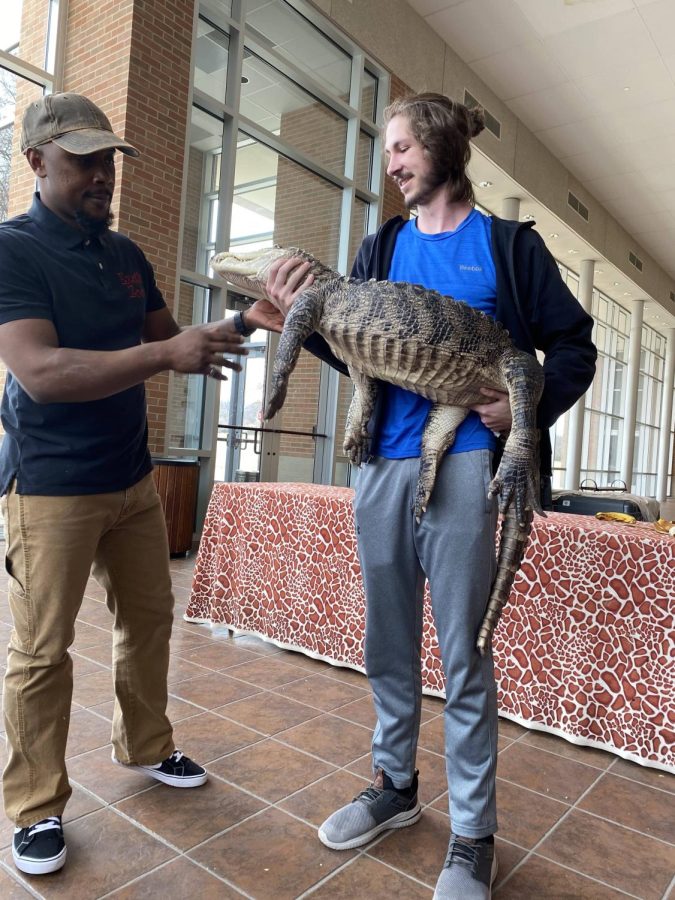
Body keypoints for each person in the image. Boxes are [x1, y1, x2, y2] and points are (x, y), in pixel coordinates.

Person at [263, 93, 596, 899]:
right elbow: (365, 355)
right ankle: (394, 787)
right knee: (385, 642)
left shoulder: (509, 248)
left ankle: (473, 834)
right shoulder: (380, 246)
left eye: (403, 146)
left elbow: (573, 347)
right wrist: (298, 322)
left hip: (470, 466)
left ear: (443, 149)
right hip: (380, 464)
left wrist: (523, 403)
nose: (393, 162)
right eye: (387, 151)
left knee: (462, 653)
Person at [0, 92, 264, 876]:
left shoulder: (125, 257)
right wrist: (162, 358)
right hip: (50, 487)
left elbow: (173, 339)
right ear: (36, 162)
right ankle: (35, 805)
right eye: (84, 160)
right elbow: (42, 374)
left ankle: (146, 744)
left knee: (148, 621)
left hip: (130, 479)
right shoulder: (12, 251)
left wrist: (252, 318)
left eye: (108, 160)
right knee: (43, 653)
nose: (102, 176)